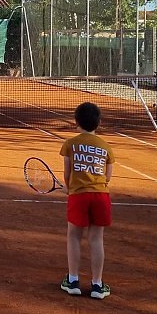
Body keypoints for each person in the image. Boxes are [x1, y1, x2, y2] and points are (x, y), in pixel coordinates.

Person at [59, 101, 114, 299]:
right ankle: (97, 285)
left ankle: (73, 281)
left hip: (78, 195)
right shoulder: (106, 147)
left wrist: (68, 187)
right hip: (101, 196)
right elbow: (107, 178)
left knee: (73, 236)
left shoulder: (70, 144)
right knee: (96, 238)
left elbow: (68, 172)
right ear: (99, 123)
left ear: (76, 122)